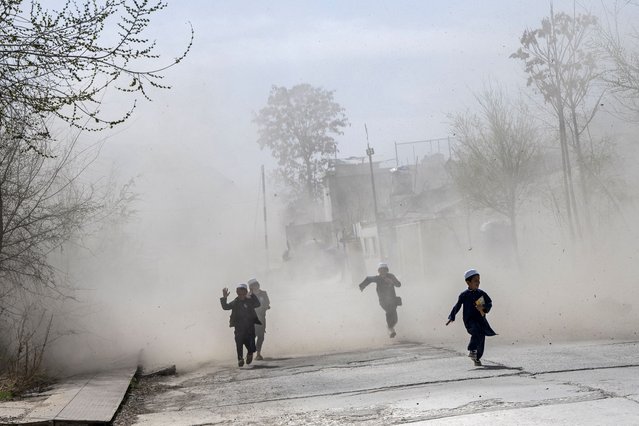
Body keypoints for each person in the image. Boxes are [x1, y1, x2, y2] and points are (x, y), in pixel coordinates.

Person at [446, 269, 496, 366]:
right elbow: (457, 306)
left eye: (479, 280)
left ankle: (476, 357)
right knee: (476, 331)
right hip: (470, 321)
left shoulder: (481, 293)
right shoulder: (464, 295)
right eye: (475, 280)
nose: (478, 283)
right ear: (468, 282)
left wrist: (483, 307)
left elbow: (489, 303)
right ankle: (472, 350)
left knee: (481, 337)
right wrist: (452, 316)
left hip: (481, 320)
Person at [220, 283, 261, 367]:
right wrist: (224, 297)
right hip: (239, 327)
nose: (241, 295)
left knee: (251, 344)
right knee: (239, 343)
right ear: (237, 293)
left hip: (250, 327)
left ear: (246, 292)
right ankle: (240, 359)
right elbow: (226, 307)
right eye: (239, 293)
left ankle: (250, 353)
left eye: (243, 293)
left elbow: (257, 304)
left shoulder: (250, 301)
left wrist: (252, 295)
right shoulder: (235, 302)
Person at [359, 262, 402, 338]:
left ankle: (390, 327)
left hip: (393, 300)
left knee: (395, 319)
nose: (383, 272)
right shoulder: (377, 278)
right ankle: (390, 329)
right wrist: (362, 286)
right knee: (389, 312)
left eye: (384, 270)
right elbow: (368, 279)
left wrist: (393, 282)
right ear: (378, 271)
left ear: (387, 270)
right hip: (383, 300)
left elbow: (398, 285)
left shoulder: (391, 276)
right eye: (381, 271)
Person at [248, 278, 270, 361]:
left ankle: (258, 354)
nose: (256, 287)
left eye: (257, 285)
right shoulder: (248, 295)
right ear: (251, 287)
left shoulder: (263, 293)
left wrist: (266, 307)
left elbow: (267, 302)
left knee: (261, 336)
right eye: (254, 286)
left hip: (261, 318)